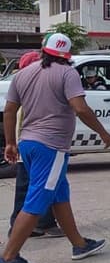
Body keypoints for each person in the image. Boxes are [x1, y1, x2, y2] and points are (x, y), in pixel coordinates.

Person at [0, 33, 110, 263]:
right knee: (38, 199)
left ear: (44, 49)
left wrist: (10, 142)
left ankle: (79, 245)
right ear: (67, 54)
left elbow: (9, 110)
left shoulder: (24, 73)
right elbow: (80, 108)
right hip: (50, 147)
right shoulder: (67, 73)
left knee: (59, 195)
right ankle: (8, 257)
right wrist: (103, 132)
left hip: (28, 144)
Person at [8, 50, 62, 239]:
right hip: (35, 146)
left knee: (34, 186)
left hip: (28, 147)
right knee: (39, 187)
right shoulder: (30, 89)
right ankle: (35, 224)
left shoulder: (23, 85)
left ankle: (35, 223)